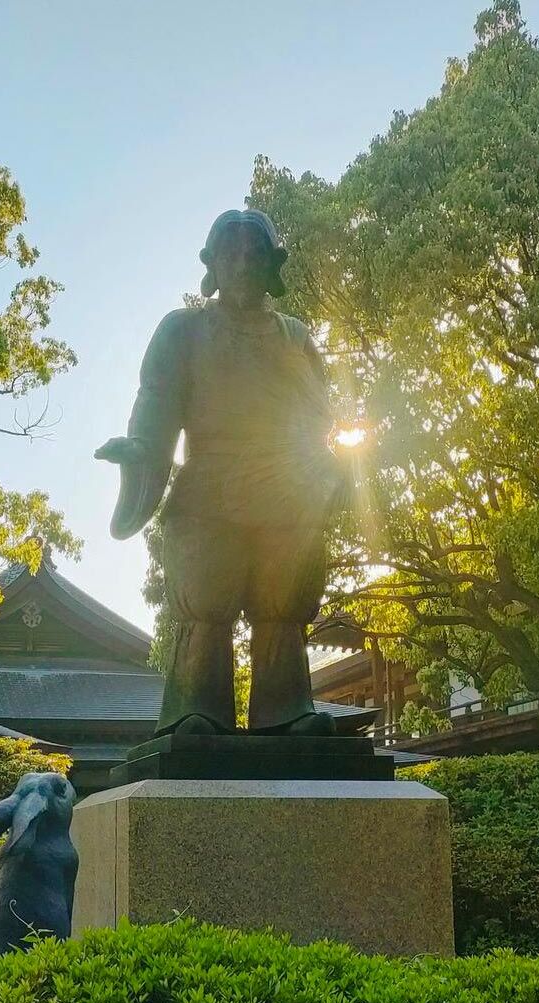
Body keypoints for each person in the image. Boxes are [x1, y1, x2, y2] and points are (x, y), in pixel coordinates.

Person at [97, 209, 346, 736]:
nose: (243, 264)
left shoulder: (294, 338)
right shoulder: (183, 330)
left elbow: (317, 417)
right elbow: (156, 401)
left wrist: (324, 472)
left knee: (283, 602)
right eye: (231, 254)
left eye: (255, 254)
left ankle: (285, 710)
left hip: (283, 490)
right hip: (209, 485)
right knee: (208, 601)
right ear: (211, 264)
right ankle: (196, 708)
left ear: (274, 265)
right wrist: (142, 451)